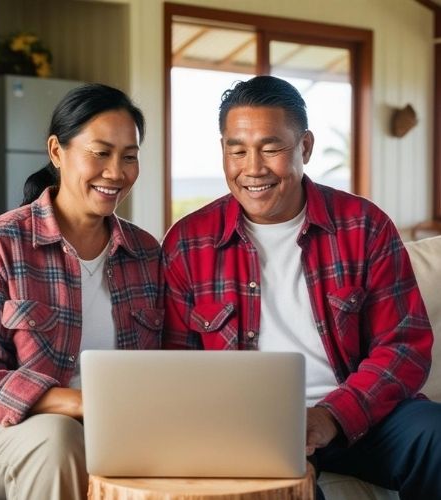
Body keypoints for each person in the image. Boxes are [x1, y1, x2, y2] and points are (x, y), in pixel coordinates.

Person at [162, 75, 441, 499]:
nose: (253, 168)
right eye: (237, 150)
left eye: (271, 149)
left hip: (360, 415)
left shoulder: (363, 225)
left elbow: (404, 346)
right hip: (248, 425)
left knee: (435, 436)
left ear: (305, 147)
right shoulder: (188, 242)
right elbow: (176, 364)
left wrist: (331, 415)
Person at [0, 83, 163, 500]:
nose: (116, 172)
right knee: (58, 439)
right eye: (100, 153)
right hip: (1, 436)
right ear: (57, 152)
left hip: (118, 430)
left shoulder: (145, 253)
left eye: (129, 157)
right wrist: (79, 403)